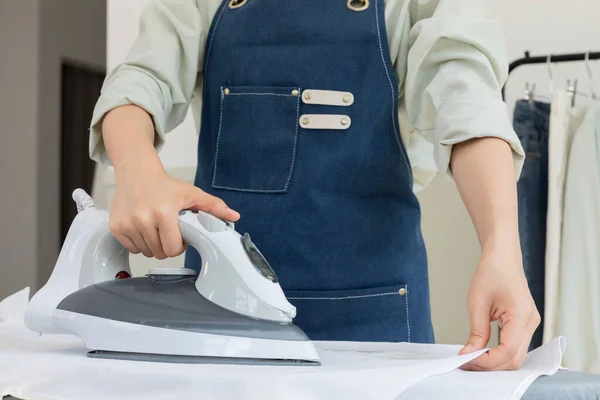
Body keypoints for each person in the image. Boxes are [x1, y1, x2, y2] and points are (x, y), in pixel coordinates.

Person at [90, 0, 539, 371]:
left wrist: (501, 245)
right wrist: (136, 168)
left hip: (378, 329)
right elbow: (139, 81)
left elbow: (466, 96)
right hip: (222, 323)